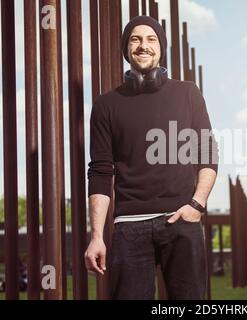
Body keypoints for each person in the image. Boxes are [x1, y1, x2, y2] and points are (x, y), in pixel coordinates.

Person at [84, 16, 219, 300]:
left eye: (151, 39)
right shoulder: (106, 104)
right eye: (135, 39)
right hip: (129, 229)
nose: (143, 46)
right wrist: (97, 235)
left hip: (181, 220)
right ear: (126, 49)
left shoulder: (188, 93)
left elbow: (207, 153)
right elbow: (99, 172)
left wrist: (197, 204)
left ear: (161, 48)